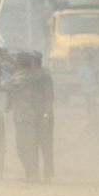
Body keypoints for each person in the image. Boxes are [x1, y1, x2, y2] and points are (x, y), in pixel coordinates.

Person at [0, 52, 44, 183]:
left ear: (19, 63)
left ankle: (33, 175)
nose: (14, 62)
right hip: (22, 115)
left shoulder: (24, 77)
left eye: (16, 60)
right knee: (23, 146)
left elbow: (4, 86)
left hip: (26, 116)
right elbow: (8, 67)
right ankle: (30, 174)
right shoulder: (22, 73)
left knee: (25, 146)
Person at [31, 52, 54, 183]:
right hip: (33, 116)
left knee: (46, 146)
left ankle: (47, 175)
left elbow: (50, 98)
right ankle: (35, 174)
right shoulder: (30, 76)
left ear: (35, 62)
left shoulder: (45, 78)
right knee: (33, 145)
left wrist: (45, 116)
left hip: (44, 116)